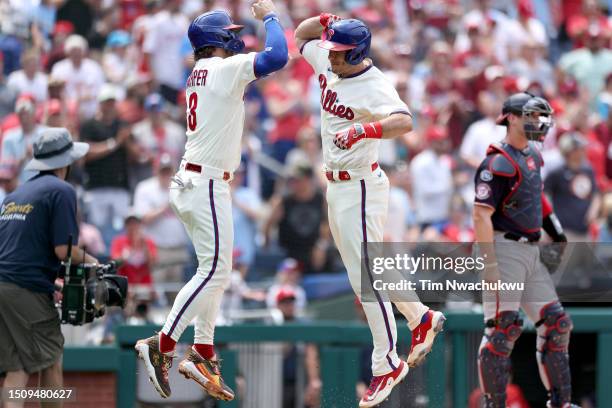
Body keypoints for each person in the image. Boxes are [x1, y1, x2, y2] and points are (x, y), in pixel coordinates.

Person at [135, 3, 288, 402]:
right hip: (204, 182)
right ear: (217, 39)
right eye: (230, 32)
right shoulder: (221, 69)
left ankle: (202, 350)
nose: (236, 36)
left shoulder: (201, 73)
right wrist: (270, 15)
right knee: (216, 269)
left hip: (198, 179)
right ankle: (163, 344)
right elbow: (278, 56)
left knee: (216, 269)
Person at [294, 15, 445, 407]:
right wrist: (325, 21)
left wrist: (364, 130)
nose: (332, 57)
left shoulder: (374, 84)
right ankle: (419, 317)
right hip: (337, 185)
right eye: (332, 49)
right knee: (369, 268)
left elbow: (404, 121)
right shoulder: (329, 60)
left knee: (366, 273)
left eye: (341, 52)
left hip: (361, 183)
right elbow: (300, 36)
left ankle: (386, 363)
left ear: (358, 52)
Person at [472, 93, 577, 408]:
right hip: (503, 248)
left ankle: (560, 403)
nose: (537, 122)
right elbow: (480, 215)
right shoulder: (497, 161)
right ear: (511, 118)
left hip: (530, 249)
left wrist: (555, 231)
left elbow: (537, 196)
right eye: (530, 115)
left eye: (540, 116)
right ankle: (494, 404)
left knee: (557, 324)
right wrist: (489, 265)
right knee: (503, 329)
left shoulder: (532, 155)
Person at [0, 128, 98, 408]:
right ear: (66, 162)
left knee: (16, 368)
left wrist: (50, 280)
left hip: (4, 286)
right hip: (24, 289)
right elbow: (62, 250)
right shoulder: (63, 190)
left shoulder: (14, 195)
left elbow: (20, 249)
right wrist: (93, 261)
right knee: (51, 359)